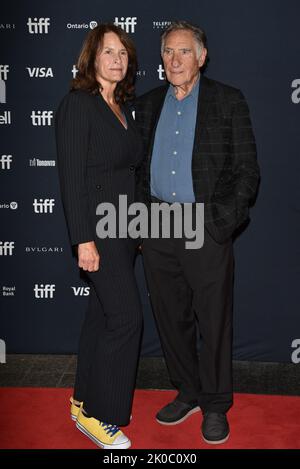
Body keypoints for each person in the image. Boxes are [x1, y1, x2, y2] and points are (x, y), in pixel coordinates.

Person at [135, 21, 260, 444]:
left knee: (213, 321)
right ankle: (187, 391)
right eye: (168, 51)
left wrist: (217, 226)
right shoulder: (149, 104)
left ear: (201, 57)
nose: (174, 59)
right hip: (157, 226)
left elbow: (246, 173)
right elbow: (137, 171)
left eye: (184, 51)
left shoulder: (227, 102)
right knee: (171, 319)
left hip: (203, 227)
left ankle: (216, 404)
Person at [55, 23, 144, 449]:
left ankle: (80, 401)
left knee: (101, 318)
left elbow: (127, 174)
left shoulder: (120, 107)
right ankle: (98, 415)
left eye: (123, 53)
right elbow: (72, 179)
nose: (116, 59)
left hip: (124, 231)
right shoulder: (79, 105)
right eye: (108, 52)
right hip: (98, 232)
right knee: (127, 320)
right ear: (92, 58)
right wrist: (83, 239)